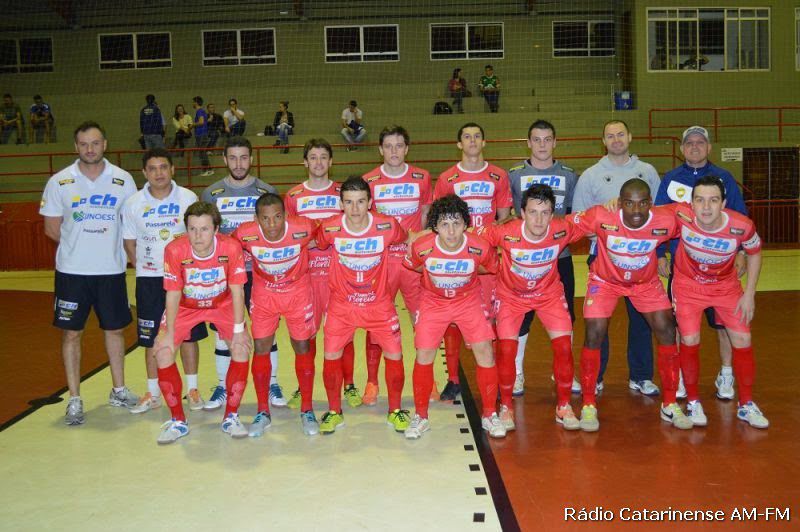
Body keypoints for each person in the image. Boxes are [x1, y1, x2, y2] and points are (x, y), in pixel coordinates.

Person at [39, 121, 138, 425]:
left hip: (111, 271)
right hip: (72, 273)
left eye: (95, 143)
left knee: (115, 330)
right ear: (76, 147)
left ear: (104, 144)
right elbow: (52, 229)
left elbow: (132, 223)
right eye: (84, 144)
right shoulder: (59, 181)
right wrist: (81, 246)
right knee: (72, 333)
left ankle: (118, 390)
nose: (90, 149)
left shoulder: (123, 179)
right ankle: (74, 398)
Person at [572, 178, 690, 432]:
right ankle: (589, 403)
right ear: (620, 203)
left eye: (642, 203)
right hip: (605, 281)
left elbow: (699, 218)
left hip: (645, 284)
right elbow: (564, 226)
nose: (636, 210)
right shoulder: (601, 216)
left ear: (651, 203)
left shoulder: (666, 219)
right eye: (629, 203)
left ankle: (670, 402)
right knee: (594, 330)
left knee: (667, 328)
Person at [477, 184, 586, 431]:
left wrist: (614, 207)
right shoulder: (505, 232)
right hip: (511, 297)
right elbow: (470, 236)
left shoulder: (562, 229)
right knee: (507, 349)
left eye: (545, 213)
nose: (539, 219)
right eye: (533, 212)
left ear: (552, 214)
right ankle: (506, 406)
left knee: (564, 346)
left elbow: (596, 222)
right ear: (522, 213)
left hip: (548, 295)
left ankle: (564, 406)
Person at [656, 126, 748, 401]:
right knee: (680, 327)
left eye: (700, 142)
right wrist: (660, 253)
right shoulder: (671, 179)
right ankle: (681, 375)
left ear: (709, 148)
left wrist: (741, 251)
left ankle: (726, 374)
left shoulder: (724, 178)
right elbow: (660, 218)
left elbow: (740, 215)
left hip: (721, 267)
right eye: (689, 143)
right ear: (682, 149)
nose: (694, 147)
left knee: (724, 326)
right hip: (683, 268)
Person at [668, 175, 768, 428]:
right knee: (689, 338)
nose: (706, 207)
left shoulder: (741, 226)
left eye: (713, 200)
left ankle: (746, 404)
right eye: (699, 200)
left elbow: (755, 253)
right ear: (691, 203)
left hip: (726, 286)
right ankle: (693, 401)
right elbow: (643, 213)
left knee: (743, 338)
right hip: (688, 286)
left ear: (723, 203)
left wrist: (750, 294)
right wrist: (615, 204)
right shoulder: (681, 215)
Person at [572, 120, 662, 396]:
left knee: (642, 321)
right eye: (610, 136)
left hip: (641, 260)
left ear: (630, 136)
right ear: (603, 141)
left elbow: (659, 214)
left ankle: (641, 377)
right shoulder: (590, 175)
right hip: (603, 259)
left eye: (621, 134)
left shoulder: (647, 171)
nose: (616, 139)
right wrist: (607, 222)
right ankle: (596, 377)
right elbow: (580, 220)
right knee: (598, 322)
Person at [404, 194, 505, 440]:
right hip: (433, 301)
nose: (451, 231)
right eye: (444, 224)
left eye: (457, 223)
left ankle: (489, 414)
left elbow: (489, 267)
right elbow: (415, 265)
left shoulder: (479, 246)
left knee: (485, 350)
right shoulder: (422, 247)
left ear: (465, 224)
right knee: (424, 353)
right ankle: (421, 416)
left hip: (467, 301)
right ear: (435, 226)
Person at [315, 176, 411, 434]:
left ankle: (395, 410)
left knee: (395, 354)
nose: (355, 208)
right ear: (341, 204)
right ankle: (334, 411)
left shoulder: (387, 225)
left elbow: (406, 238)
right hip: (341, 306)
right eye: (348, 202)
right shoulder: (330, 227)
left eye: (360, 202)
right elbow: (318, 243)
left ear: (370, 202)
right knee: (331, 355)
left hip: (379, 305)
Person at [152, 201, 251, 444]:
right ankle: (178, 420)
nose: (197, 236)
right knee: (163, 351)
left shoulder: (231, 247)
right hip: (186, 306)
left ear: (216, 229)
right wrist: (169, 333)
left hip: (222, 303)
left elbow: (237, 290)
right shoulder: (175, 250)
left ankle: (231, 417)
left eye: (204, 229)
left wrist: (239, 330)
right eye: (192, 229)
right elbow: (172, 293)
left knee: (240, 348)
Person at [122, 148, 207, 414]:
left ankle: (192, 390)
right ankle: (153, 392)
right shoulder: (133, 203)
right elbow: (129, 243)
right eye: (153, 168)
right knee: (151, 338)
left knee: (189, 335)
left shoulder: (188, 198)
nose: (158, 173)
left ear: (172, 169)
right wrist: (144, 268)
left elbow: (199, 237)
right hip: (149, 281)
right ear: (144, 172)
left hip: (185, 279)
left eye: (163, 167)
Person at [200, 137, 281, 410]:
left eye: (244, 157)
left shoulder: (266, 191)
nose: (238, 163)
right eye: (233, 158)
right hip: (224, 277)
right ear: (224, 159)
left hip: (259, 274)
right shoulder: (211, 194)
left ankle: (272, 384)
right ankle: (223, 386)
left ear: (251, 159)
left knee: (266, 331)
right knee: (223, 332)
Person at [434, 122, 512, 401]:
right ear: (459, 144)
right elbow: (438, 220)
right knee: (452, 320)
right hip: (456, 260)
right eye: (466, 137)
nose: (472, 141)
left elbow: (505, 218)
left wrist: (488, 237)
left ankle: (495, 380)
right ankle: (454, 380)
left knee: (491, 321)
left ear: (484, 142)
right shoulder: (447, 178)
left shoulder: (498, 175)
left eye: (477, 136)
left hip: (487, 259)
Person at [232, 193, 320, 436]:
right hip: (264, 294)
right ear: (256, 219)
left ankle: (307, 409)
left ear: (286, 215)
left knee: (302, 346)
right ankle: (263, 411)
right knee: (261, 347)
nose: (272, 224)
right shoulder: (245, 233)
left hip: (297, 292)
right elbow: (227, 247)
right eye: (265, 218)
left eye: (278, 217)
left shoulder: (304, 227)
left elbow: (327, 234)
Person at [284, 139, 360, 410]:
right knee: (306, 335)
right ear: (305, 162)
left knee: (343, 333)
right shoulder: (293, 196)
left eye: (323, 157)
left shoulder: (343, 193)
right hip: (307, 276)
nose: (318, 162)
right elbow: (289, 236)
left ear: (331, 161)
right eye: (313, 157)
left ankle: (349, 384)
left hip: (339, 274)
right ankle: (303, 388)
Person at [362, 125, 433, 405]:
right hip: (382, 264)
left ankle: (428, 380)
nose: (394, 151)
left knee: (422, 321)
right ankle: (372, 381)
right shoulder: (369, 180)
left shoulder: (422, 177)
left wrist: (420, 244)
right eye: (389, 146)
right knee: (376, 322)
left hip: (413, 262)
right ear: (380, 149)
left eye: (399, 145)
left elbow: (426, 214)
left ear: (407, 148)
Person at [507, 119, 578, 396]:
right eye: (536, 139)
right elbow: (509, 215)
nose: (542, 145)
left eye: (547, 139)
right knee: (522, 316)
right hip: (524, 259)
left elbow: (571, 216)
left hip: (560, 257)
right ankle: (517, 373)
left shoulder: (569, 175)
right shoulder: (514, 175)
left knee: (566, 317)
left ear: (555, 142)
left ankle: (564, 371)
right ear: (528, 143)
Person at [192, 96, 213, 176]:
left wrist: (192, 125)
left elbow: (201, 122)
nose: (192, 104)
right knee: (202, 152)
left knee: (202, 152)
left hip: (201, 134)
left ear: (196, 103)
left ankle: (207, 170)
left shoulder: (199, 111)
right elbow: (205, 121)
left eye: (193, 102)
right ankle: (208, 169)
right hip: (202, 134)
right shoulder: (203, 111)